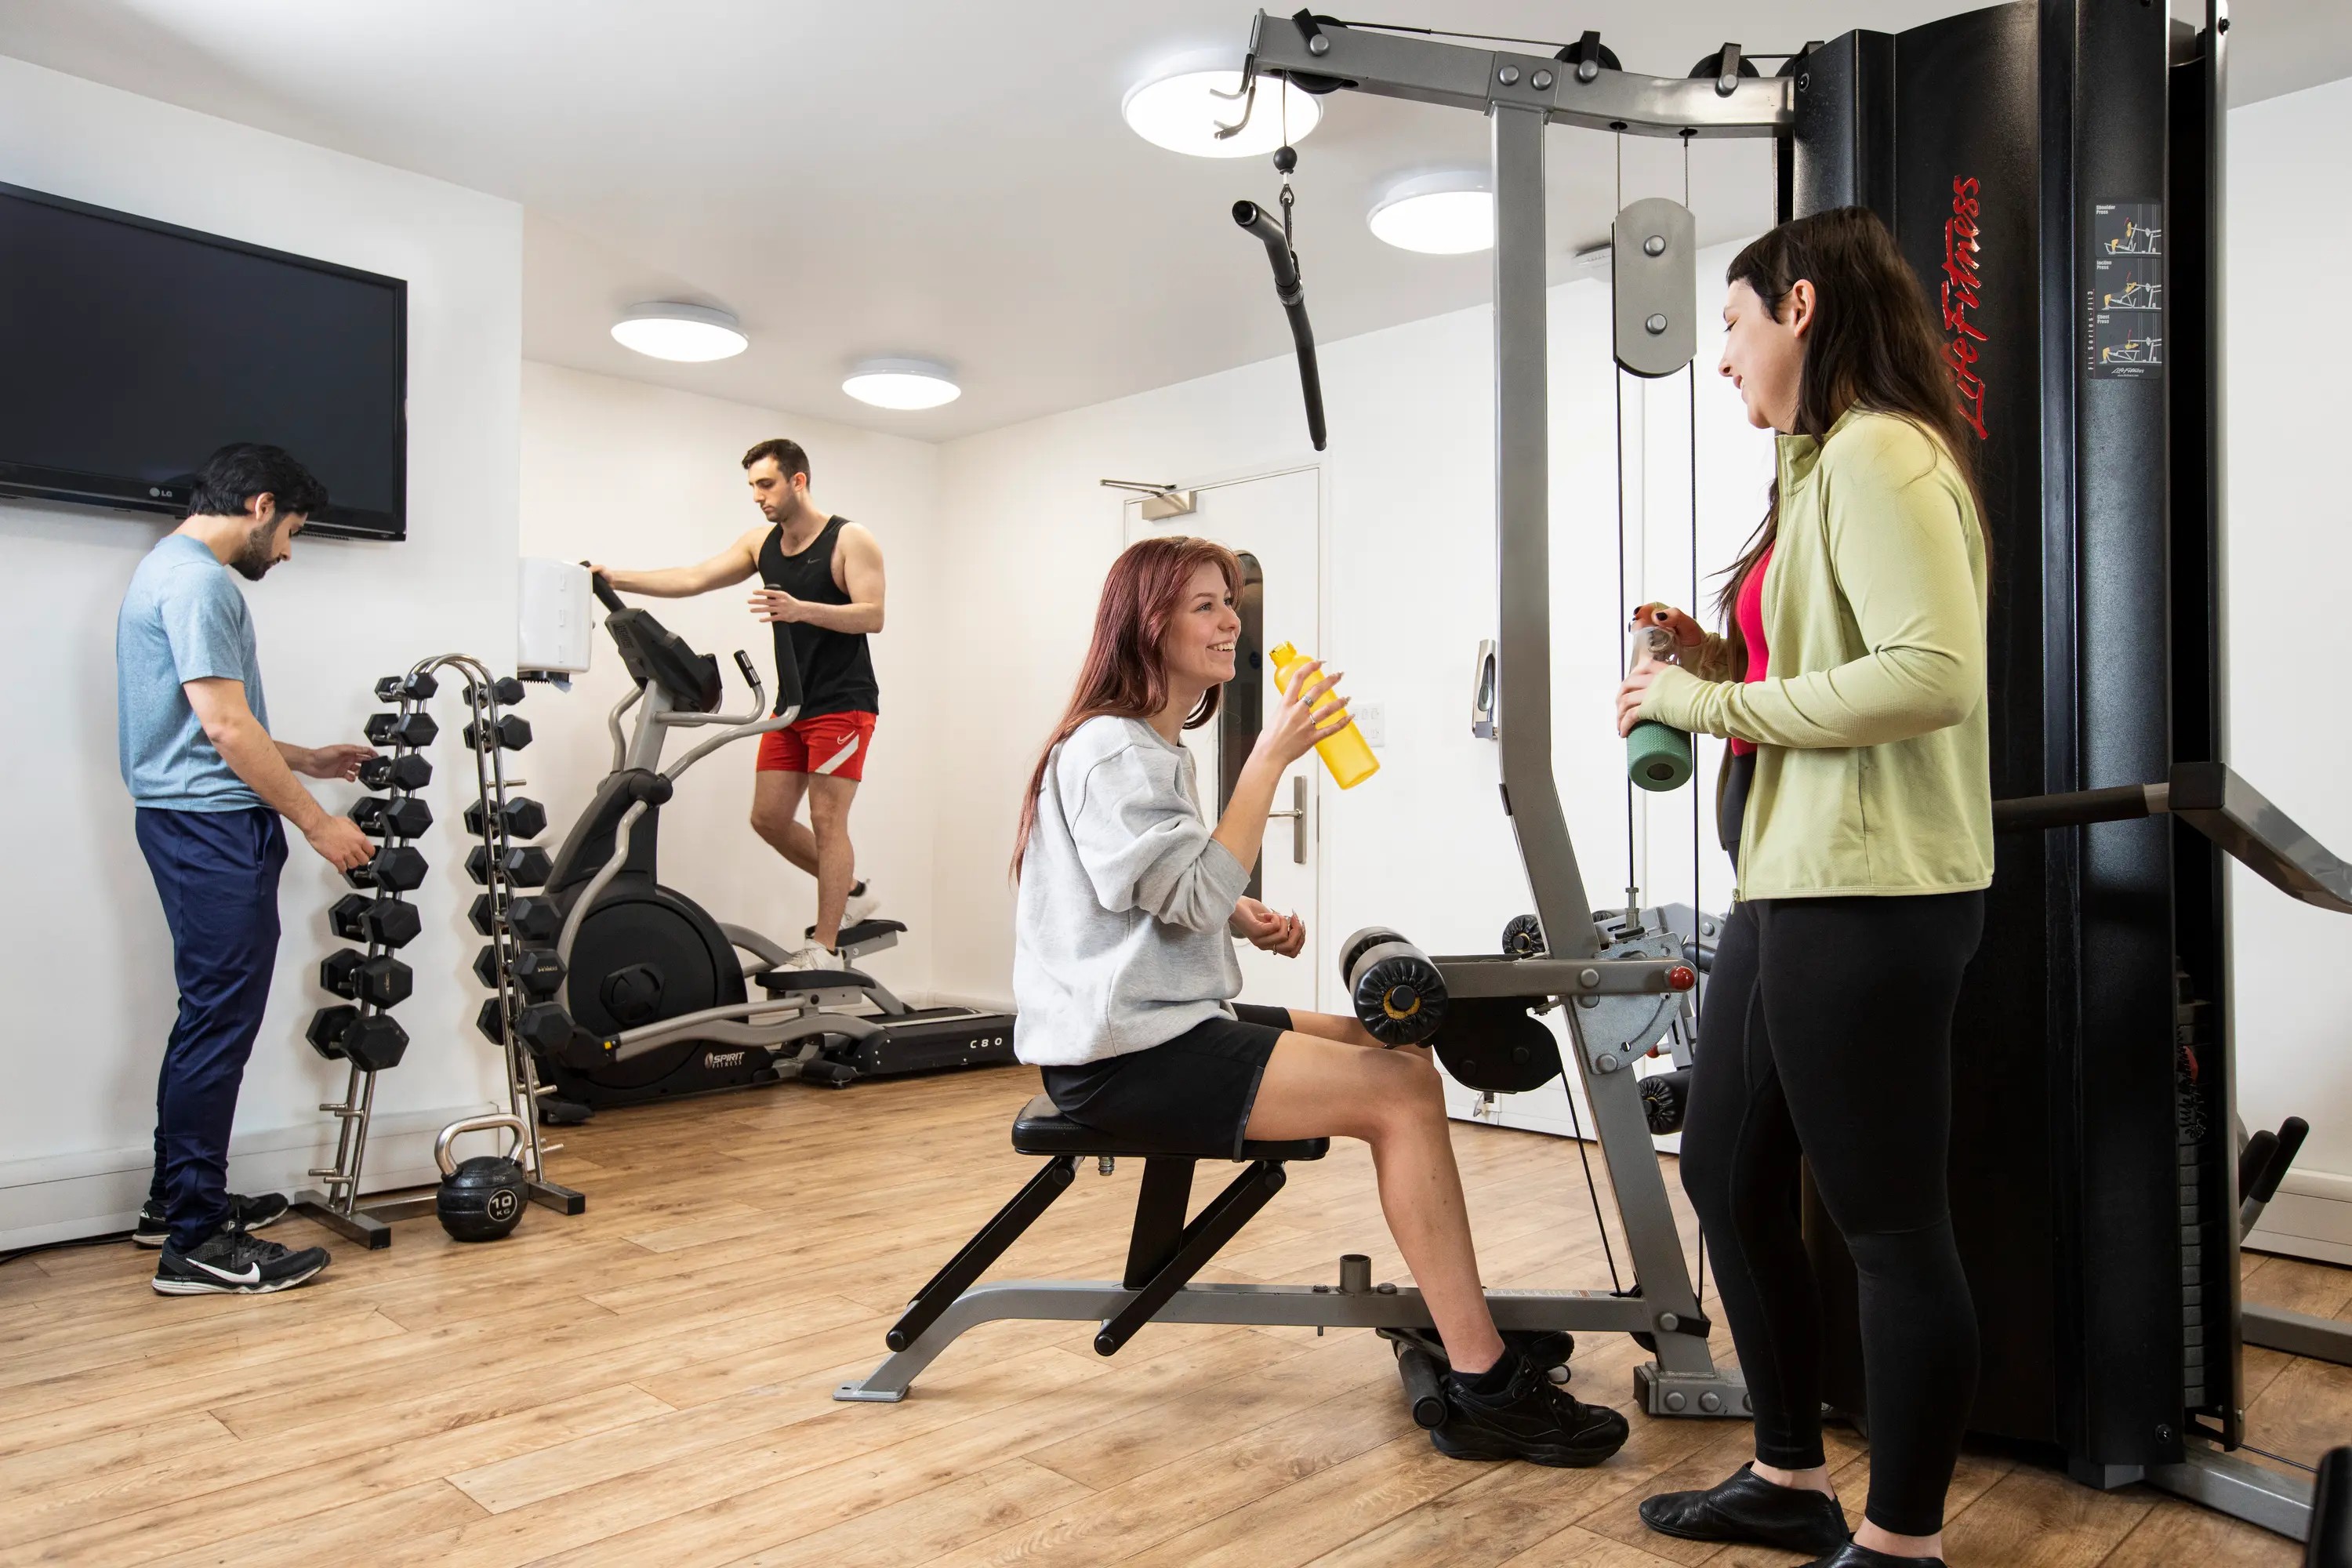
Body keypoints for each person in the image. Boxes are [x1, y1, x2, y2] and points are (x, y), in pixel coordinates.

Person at [1010, 534, 1630, 1468]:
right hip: (1125, 1054)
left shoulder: (1146, 747)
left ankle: (1452, 1313)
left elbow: (1163, 892)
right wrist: (1268, 762)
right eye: (1207, 605)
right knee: (1402, 1093)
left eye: (1231, 602)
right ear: (1148, 624)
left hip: (1162, 1020)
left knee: (1395, 1047)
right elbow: (1181, 893)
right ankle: (1485, 1386)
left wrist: (1238, 913)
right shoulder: (1113, 751)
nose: (1232, 621)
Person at [1617, 208, 1994, 1568]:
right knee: (1722, 1170)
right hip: (1789, 884)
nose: (1719, 357)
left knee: (1889, 1227)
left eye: (1730, 322)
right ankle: (1786, 1476)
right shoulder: (1817, 468)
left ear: (1803, 306)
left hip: (1874, 894)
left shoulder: (1886, 453)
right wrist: (1713, 650)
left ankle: (1903, 1546)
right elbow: (1821, 662)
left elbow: (1930, 673)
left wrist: (1707, 698)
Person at [117, 442, 376, 1295]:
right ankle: (193, 1240)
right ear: (262, 505)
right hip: (210, 831)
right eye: (294, 530)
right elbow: (224, 731)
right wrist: (317, 823)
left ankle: (175, 1200)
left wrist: (306, 758)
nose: (290, 550)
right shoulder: (198, 581)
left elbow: (214, 722)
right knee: (217, 1027)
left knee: (208, 1019)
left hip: (199, 822)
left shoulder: (170, 567)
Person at [593, 437, 882, 965]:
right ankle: (856, 894)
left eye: (766, 484)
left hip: (843, 703)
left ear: (798, 480)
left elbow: (872, 615)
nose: (757, 496)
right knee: (768, 819)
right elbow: (693, 578)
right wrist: (615, 577)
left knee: (826, 819)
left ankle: (826, 944)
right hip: (791, 704)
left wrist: (802, 610)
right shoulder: (760, 543)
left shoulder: (849, 538)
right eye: (751, 486)